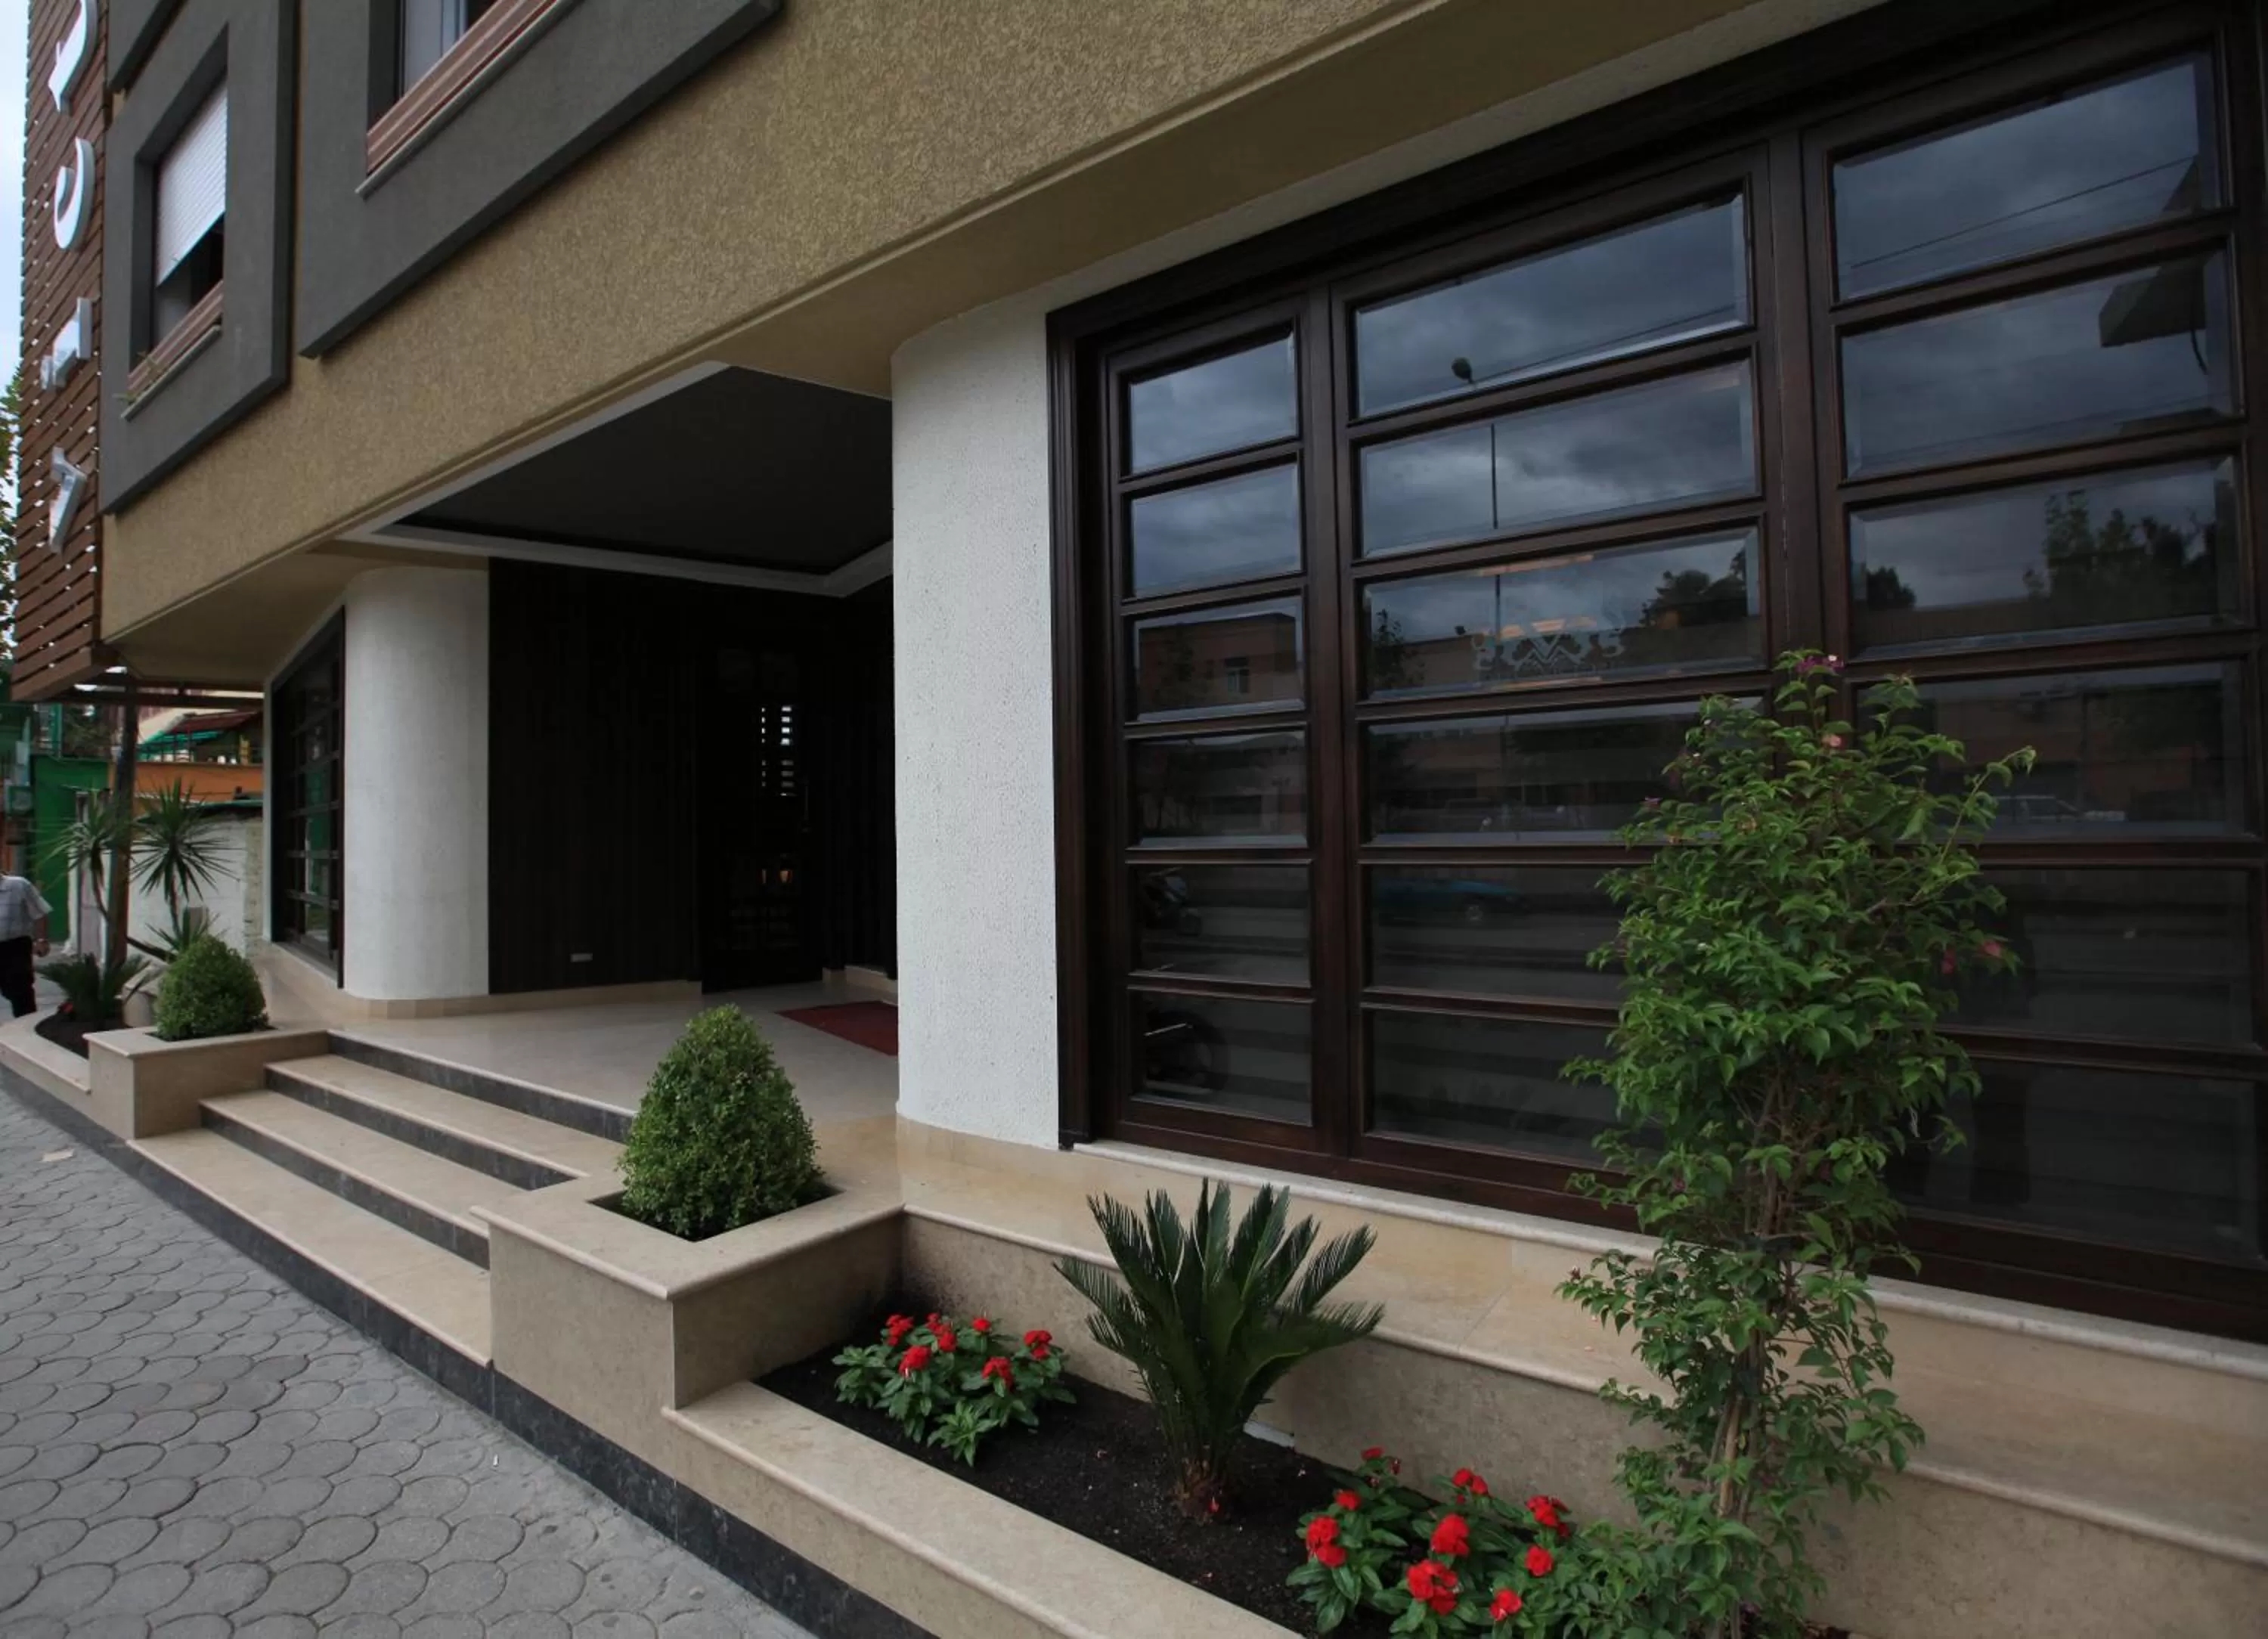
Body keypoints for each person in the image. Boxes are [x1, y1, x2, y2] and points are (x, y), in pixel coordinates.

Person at [0, 872, 53, 1018]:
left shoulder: (18, 885)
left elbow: (40, 913)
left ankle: (25, 1028)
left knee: (20, 993)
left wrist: (41, 940)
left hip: (14, 947)